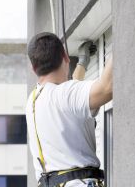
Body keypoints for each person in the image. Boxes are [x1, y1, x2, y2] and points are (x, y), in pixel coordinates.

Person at [26, 32, 113, 187]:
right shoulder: (64, 95)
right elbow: (106, 88)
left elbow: (69, 102)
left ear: (34, 68)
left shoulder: (33, 102)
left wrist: (82, 65)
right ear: (65, 57)